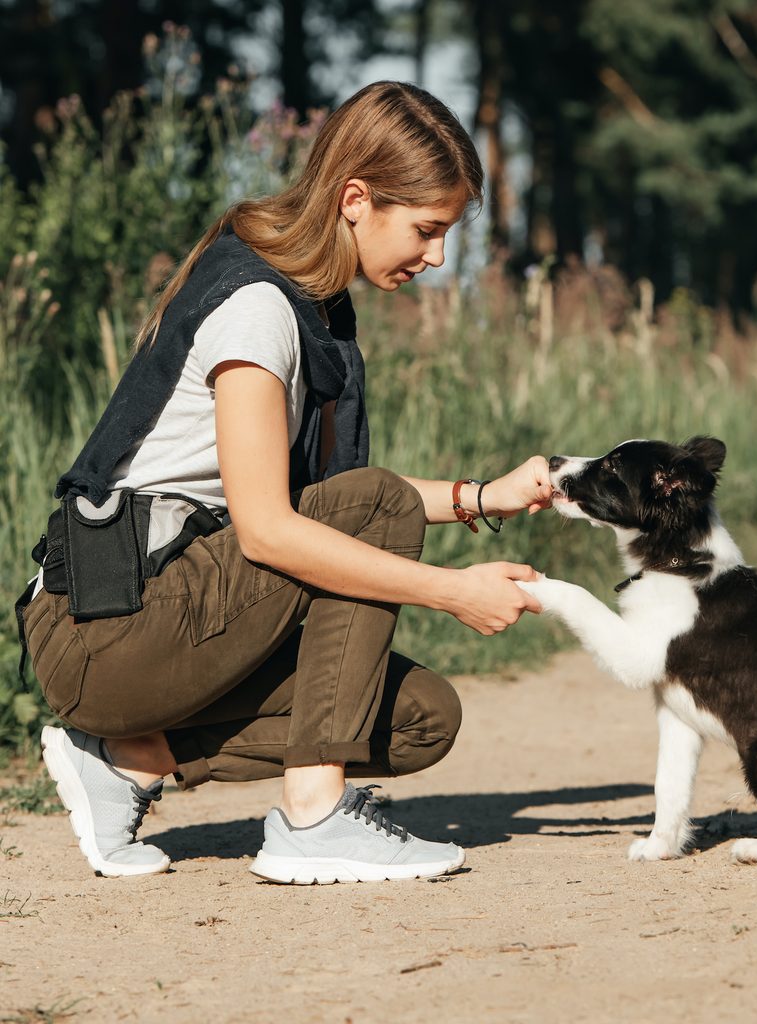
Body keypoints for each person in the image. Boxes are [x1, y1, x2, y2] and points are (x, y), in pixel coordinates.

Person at [19, 81, 552, 885]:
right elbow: (272, 528)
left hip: (167, 616)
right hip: (103, 626)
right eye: (427, 229)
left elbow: (319, 502)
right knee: (374, 503)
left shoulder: (313, 306)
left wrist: (482, 497)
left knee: (419, 719)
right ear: (355, 199)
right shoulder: (261, 307)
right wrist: (451, 591)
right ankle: (314, 817)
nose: (437, 257)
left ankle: (131, 757)